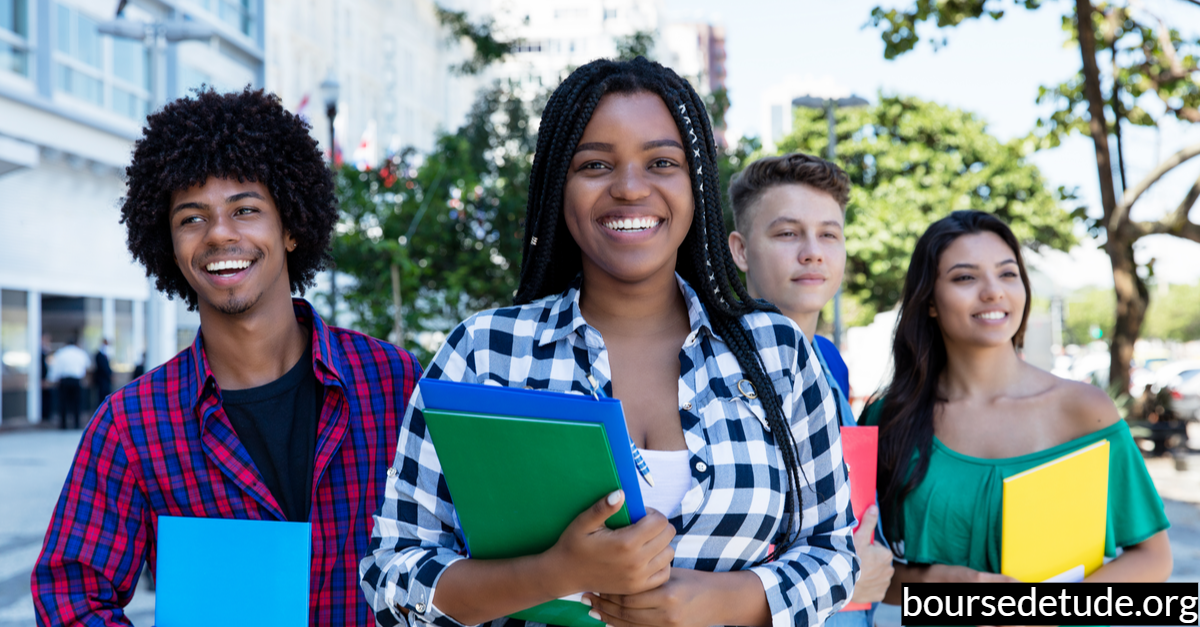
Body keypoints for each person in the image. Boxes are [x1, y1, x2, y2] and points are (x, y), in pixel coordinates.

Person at [360, 57, 857, 627]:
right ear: (557, 187)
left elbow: (833, 551)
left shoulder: (775, 351)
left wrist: (716, 599)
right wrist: (554, 572)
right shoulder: (486, 351)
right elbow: (392, 576)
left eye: (661, 162)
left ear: (695, 184)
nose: (629, 188)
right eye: (595, 164)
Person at [32, 88, 423, 626]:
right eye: (192, 218)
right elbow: (71, 597)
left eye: (245, 209)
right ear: (169, 246)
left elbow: (459, 551)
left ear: (289, 228)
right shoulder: (132, 424)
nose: (220, 233)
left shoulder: (395, 384)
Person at [862, 210, 1171, 599]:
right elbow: (859, 570)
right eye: (965, 277)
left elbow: (1153, 557)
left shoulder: (1084, 410)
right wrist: (936, 586)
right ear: (930, 302)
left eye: (1008, 274)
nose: (994, 291)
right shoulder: (889, 419)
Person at [726, 153, 894, 627]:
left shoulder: (828, 360)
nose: (812, 251)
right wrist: (841, 583)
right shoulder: (709, 368)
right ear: (740, 250)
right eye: (787, 234)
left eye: (829, 234)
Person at [48, 334, 89, 430]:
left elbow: (55, 369)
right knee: (77, 403)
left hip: (64, 381)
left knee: (63, 403)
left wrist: (52, 380)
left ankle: (63, 425)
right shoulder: (80, 353)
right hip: (76, 380)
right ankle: (76, 424)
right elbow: (86, 367)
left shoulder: (61, 353)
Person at [94, 338, 113, 405]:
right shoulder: (99, 355)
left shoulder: (105, 354)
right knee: (102, 397)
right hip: (102, 379)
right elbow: (103, 367)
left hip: (106, 380)